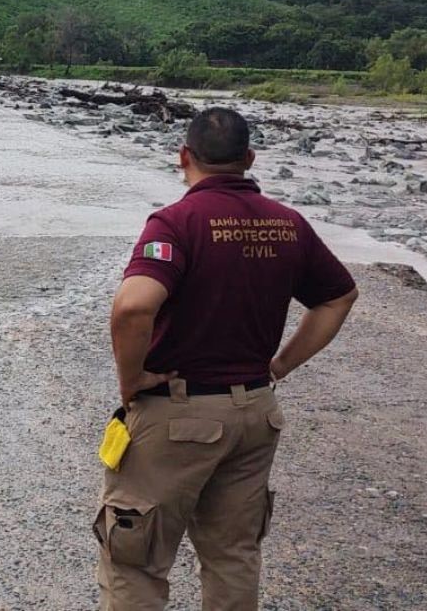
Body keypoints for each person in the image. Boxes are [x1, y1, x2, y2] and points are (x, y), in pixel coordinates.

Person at [96, 107, 358, 611]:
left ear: (184, 157)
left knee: (136, 557)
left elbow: (133, 306)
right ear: (249, 159)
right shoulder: (289, 224)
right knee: (233, 555)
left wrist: (131, 381)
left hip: (179, 415)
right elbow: (338, 297)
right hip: (255, 416)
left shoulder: (176, 222)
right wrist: (278, 367)